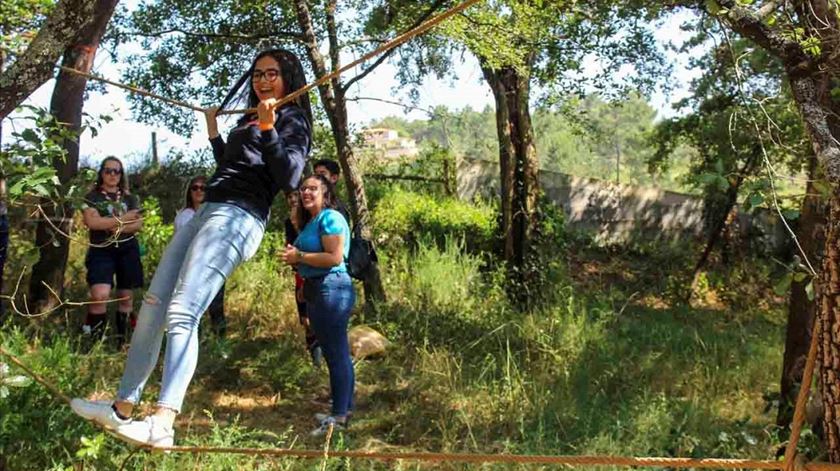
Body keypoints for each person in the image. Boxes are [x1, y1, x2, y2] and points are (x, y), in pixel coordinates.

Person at [70, 48, 312, 448]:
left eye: (273, 73)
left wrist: (270, 129)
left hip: (239, 218)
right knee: (153, 305)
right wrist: (216, 132)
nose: (263, 80)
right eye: (257, 74)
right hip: (210, 208)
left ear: (289, 77)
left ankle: (163, 423)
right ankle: (122, 408)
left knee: (183, 311)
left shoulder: (292, 119)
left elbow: (287, 177)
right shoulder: (251, 117)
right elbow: (234, 166)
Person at [282, 174, 355, 437]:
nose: (306, 193)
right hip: (317, 289)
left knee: (336, 355)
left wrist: (299, 256)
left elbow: (334, 258)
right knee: (334, 352)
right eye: (303, 189)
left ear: (326, 192)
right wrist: (303, 284)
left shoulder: (331, 218)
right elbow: (311, 259)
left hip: (332, 289)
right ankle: (343, 409)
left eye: (313, 188)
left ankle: (339, 417)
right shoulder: (312, 221)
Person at [81, 157, 143, 347]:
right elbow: (92, 223)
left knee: (126, 296)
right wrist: (124, 219)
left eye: (117, 171)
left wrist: (111, 226)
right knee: (100, 294)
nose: (112, 175)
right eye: (108, 171)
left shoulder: (130, 198)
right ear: (101, 173)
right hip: (101, 250)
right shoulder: (92, 197)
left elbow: (138, 224)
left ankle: (122, 344)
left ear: (121, 174)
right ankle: (94, 343)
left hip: (127, 250)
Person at [174, 175, 226, 338]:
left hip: (214, 265)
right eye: (195, 188)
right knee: (192, 305)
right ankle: (196, 340)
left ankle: (220, 342)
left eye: (203, 188)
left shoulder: (217, 212)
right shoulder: (184, 216)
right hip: (191, 266)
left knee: (216, 305)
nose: (199, 191)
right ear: (189, 192)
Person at [284, 191, 322, 366]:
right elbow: (290, 249)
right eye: (289, 198)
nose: (292, 200)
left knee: (317, 317)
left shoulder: (313, 221)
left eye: (295, 197)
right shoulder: (288, 223)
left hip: (316, 273)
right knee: (305, 319)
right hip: (300, 274)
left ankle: (322, 357)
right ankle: (315, 359)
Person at [312, 159, 351, 224]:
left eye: (322, 173)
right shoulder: (309, 203)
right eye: (316, 174)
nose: (317, 177)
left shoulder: (338, 208)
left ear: (334, 178)